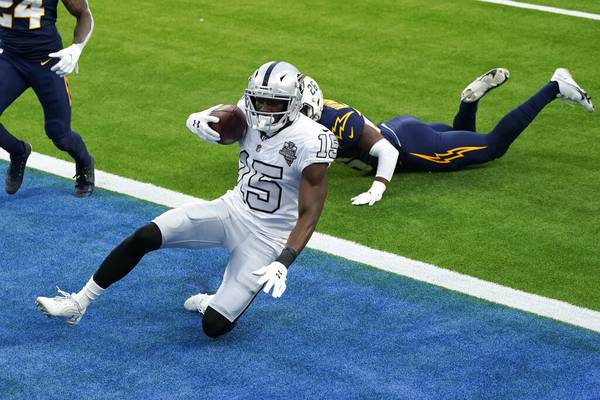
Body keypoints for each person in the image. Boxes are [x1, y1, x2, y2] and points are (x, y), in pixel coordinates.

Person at [35, 61, 338, 338]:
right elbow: (224, 120)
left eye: (274, 102)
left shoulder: (313, 139)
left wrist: (284, 261)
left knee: (215, 327)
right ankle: (79, 301)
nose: (264, 108)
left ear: (294, 104)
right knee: (146, 235)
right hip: (232, 210)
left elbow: (310, 212)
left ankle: (213, 301)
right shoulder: (246, 113)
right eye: (259, 99)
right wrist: (199, 119)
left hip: (269, 236)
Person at [299, 68, 594, 206]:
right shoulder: (319, 114)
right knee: (466, 138)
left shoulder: (339, 120)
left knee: (492, 146)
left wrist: (377, 190)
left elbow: (387, 152)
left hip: (411, 147)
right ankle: (468, 103)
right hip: (404, 129)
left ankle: (555, 87)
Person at [0, 0, 95, 197]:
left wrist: (76, 48)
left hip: (47, 61)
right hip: (10, 58)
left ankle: (85, 162)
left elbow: (84, 14)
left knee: (59, 133)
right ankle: (18, 151)